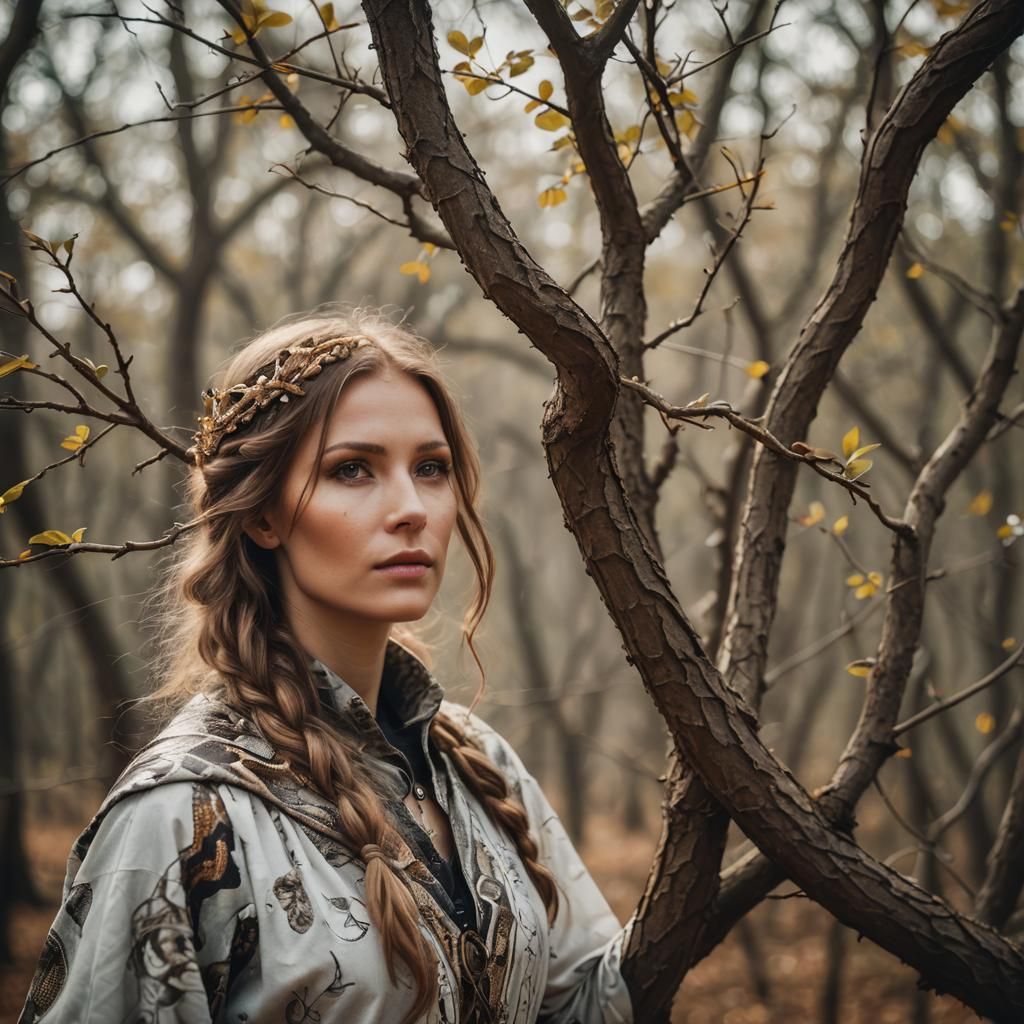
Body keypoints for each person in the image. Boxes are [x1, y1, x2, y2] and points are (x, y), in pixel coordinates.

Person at [19, 307, 634, 1024]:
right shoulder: (182, 815)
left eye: (430, 468)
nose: (411, 508)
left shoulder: (475, 763)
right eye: (352, 470)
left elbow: (590, 1001)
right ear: (263, 515)